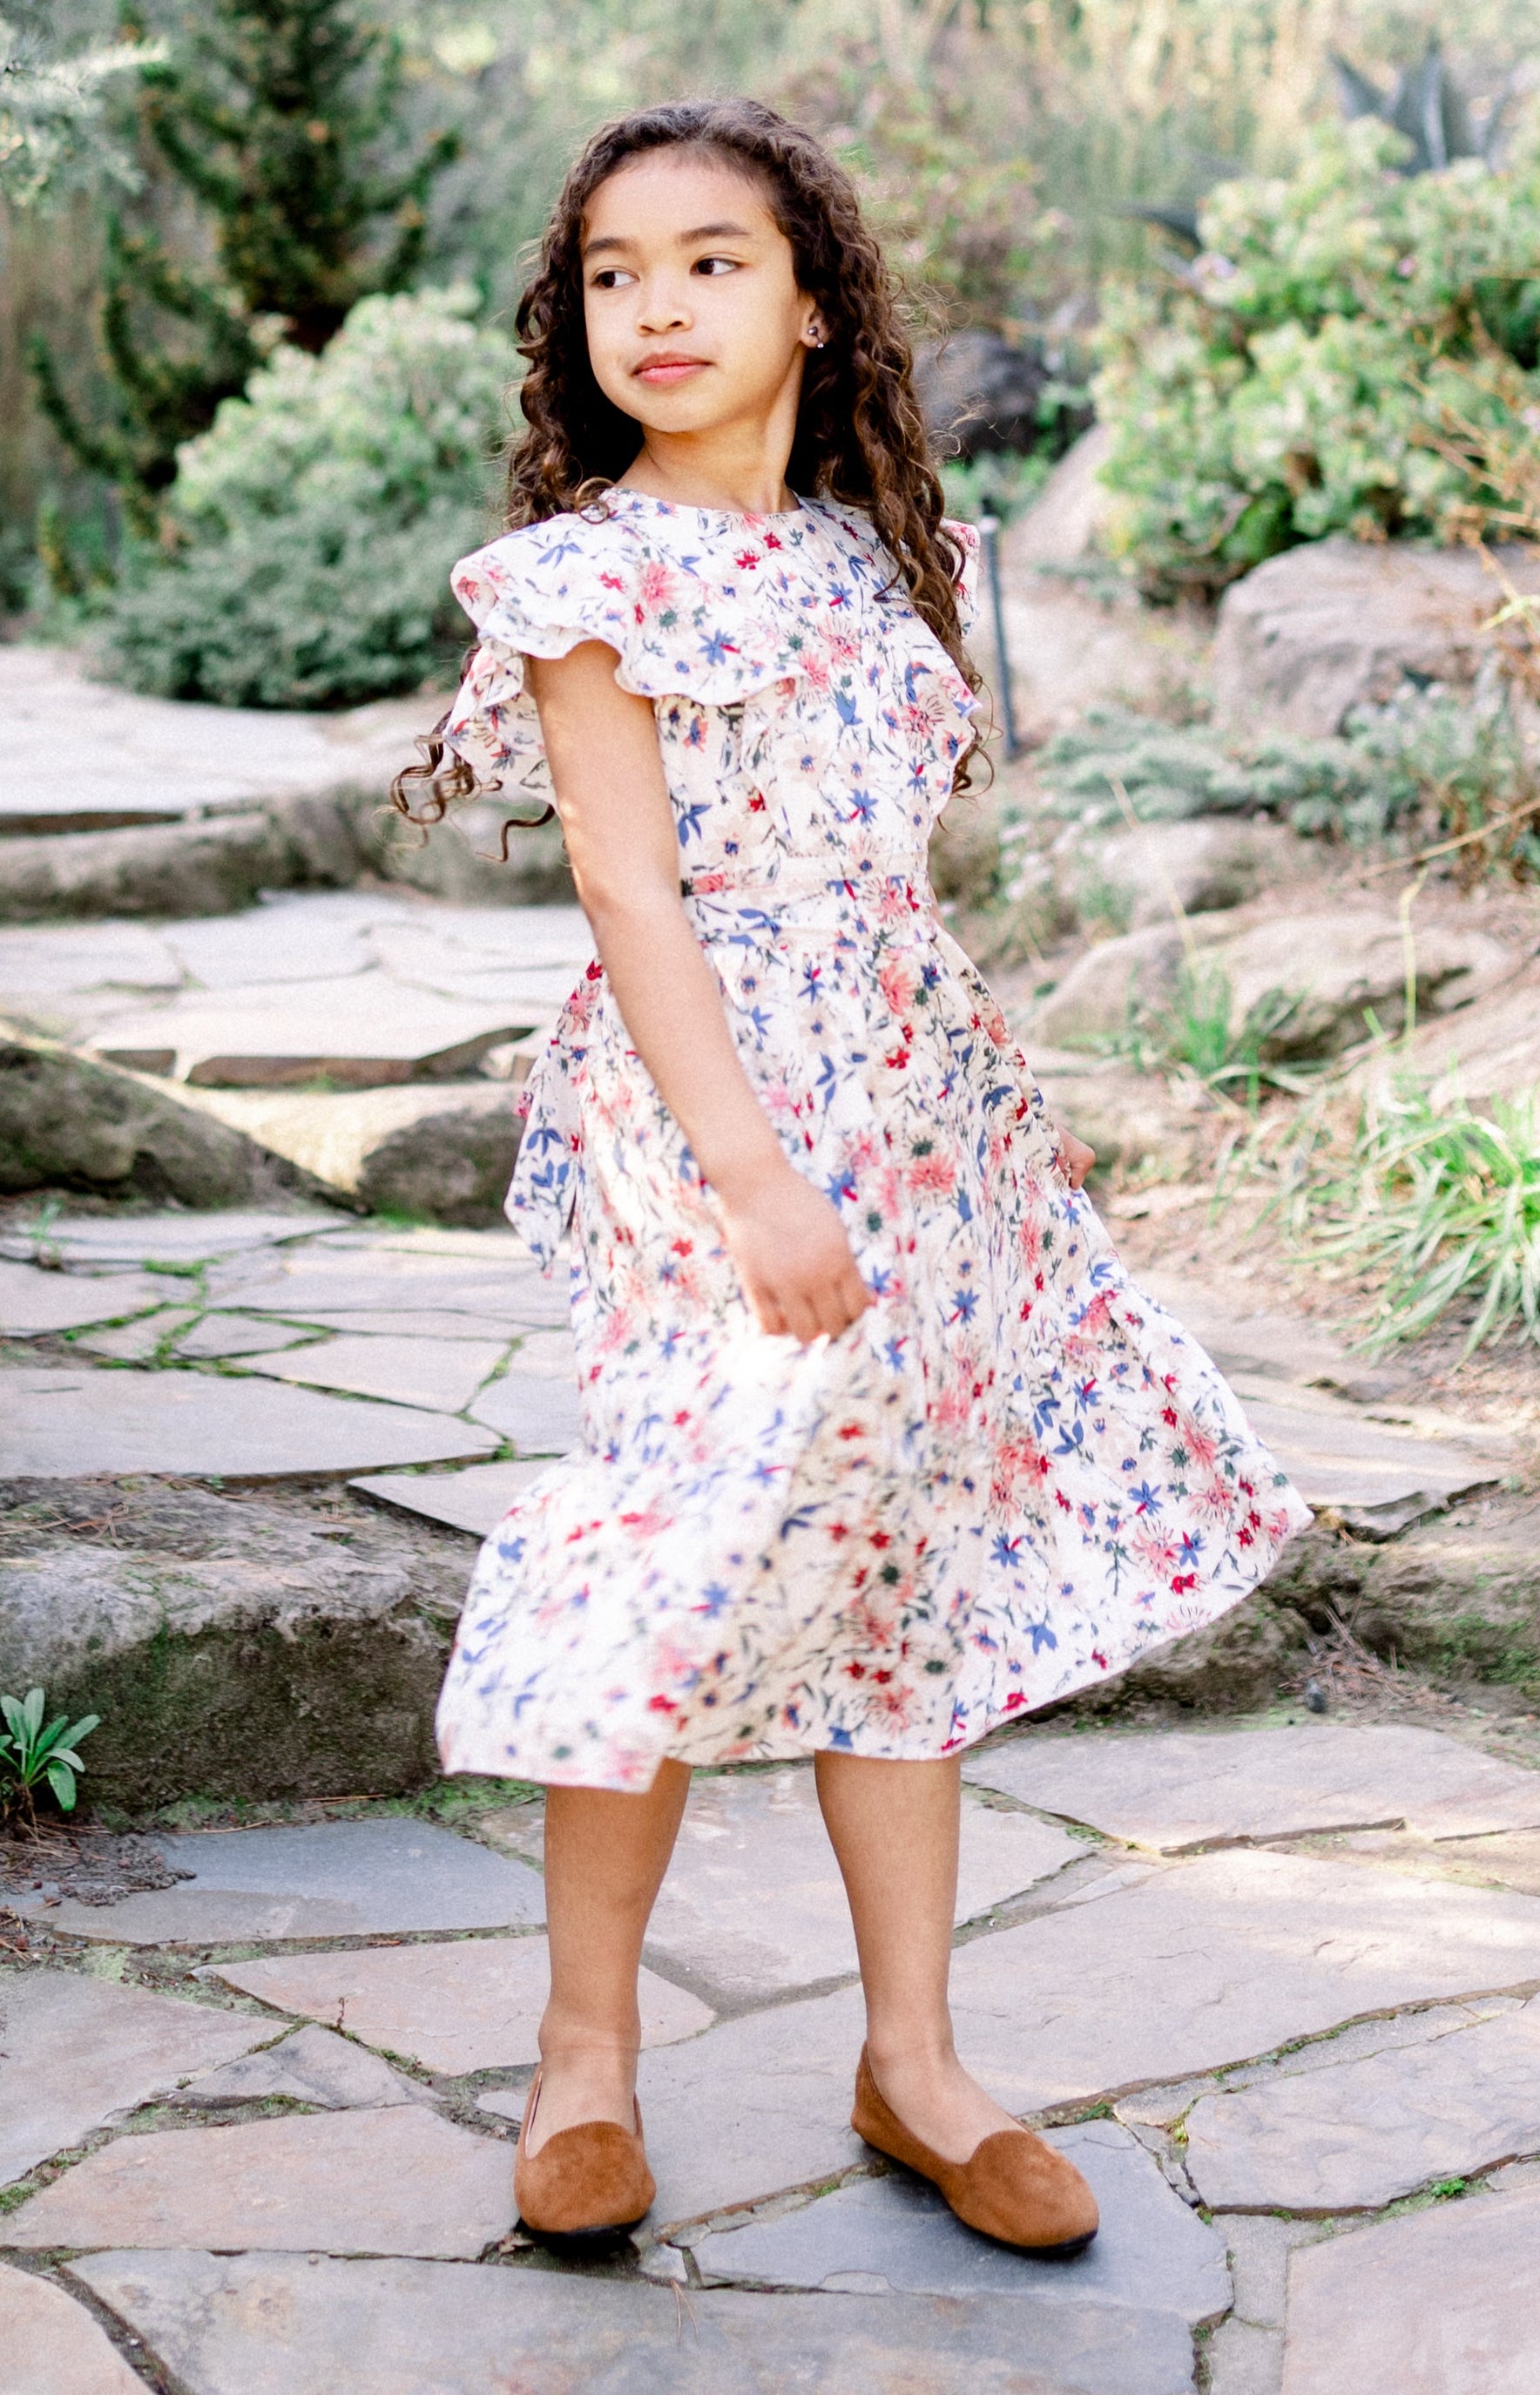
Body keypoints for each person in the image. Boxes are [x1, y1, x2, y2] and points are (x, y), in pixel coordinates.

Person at [394, 97, 1310, 2254]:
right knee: (678, 1538)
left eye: (712, 260)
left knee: (898, 1558)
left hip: (917, 1119)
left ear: (811, 298)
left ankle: (912, 2061)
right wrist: (751, 1175)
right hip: (711, 1122)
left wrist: (959, 1132)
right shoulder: (581, 575)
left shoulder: (890, 556)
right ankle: (582, 2058)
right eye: (614, 271)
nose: (659, 305)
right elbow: (630, 892)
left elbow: (892, 884)